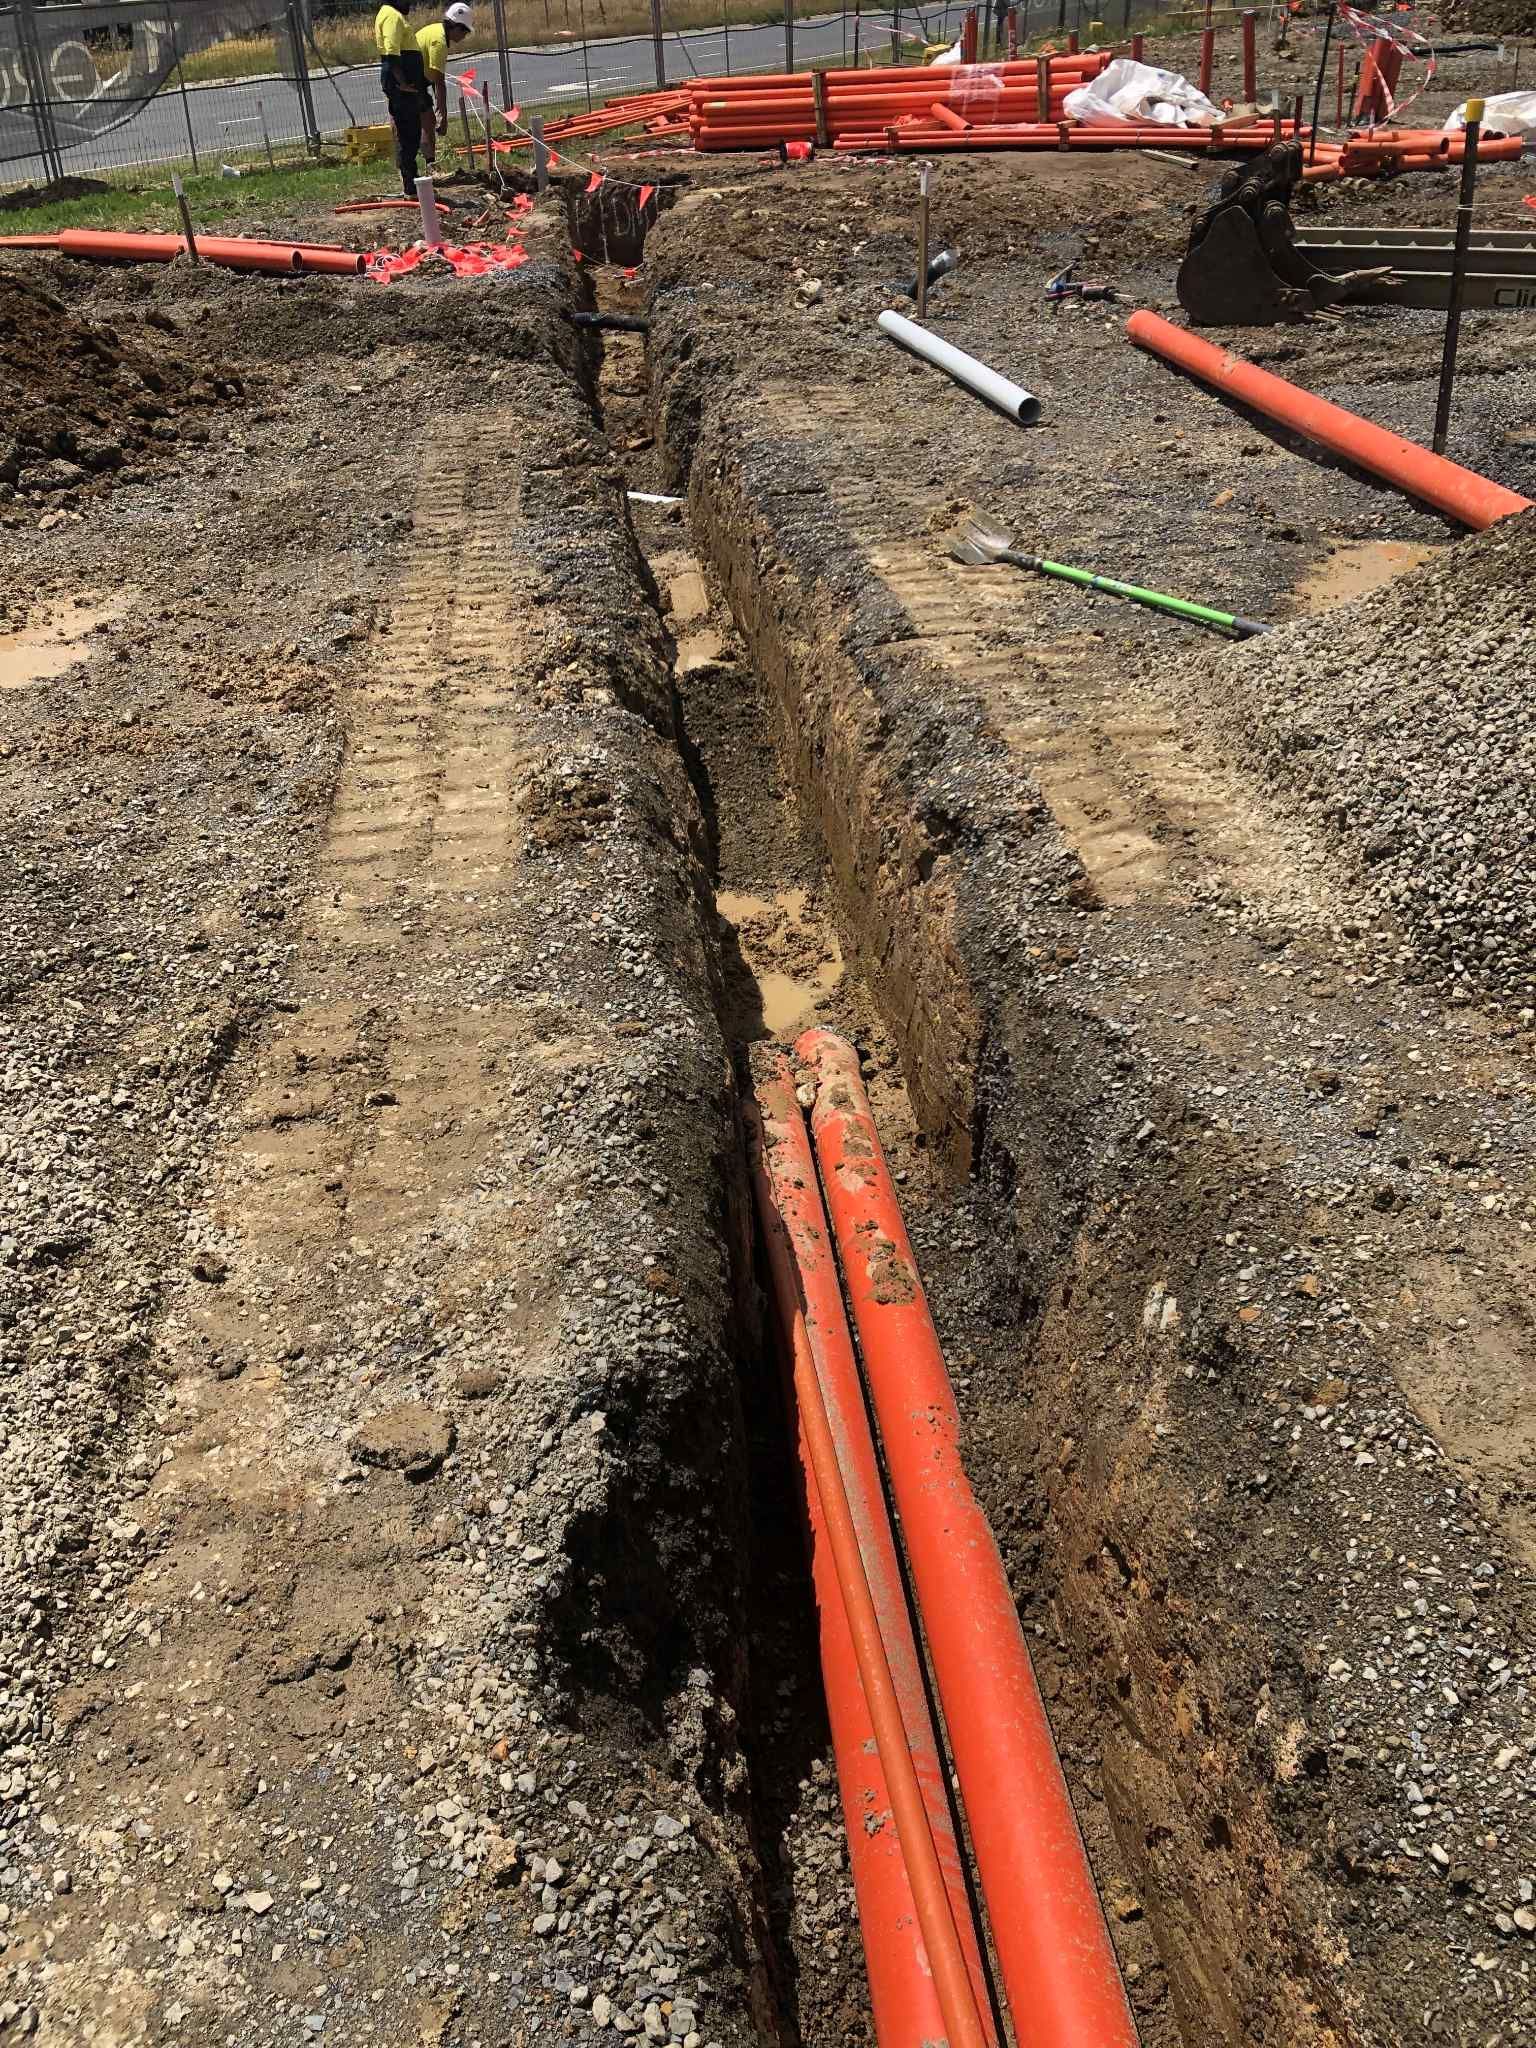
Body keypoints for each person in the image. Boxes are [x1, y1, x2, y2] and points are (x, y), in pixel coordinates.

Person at [375, 0, 429, 197]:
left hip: (404, 86)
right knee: (409, 135)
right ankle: (411, 186)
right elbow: (391, 53)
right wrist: (403, 83)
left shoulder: (393, 14)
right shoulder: (391, 15)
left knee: (410, 134)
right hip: (402, 87)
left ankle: (412, 183)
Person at [416, 2, 475, 170]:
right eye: (465, 32)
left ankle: (428, 164)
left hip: (416, 80)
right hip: (409, 82)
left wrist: (440, 112)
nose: (465, 37)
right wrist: (443, 115)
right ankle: (429, 167)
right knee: (427, 121)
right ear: (457, 27)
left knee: (426, 121)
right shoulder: (439, 42)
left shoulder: (436, 31)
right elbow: (439, 82)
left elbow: (435, 79)